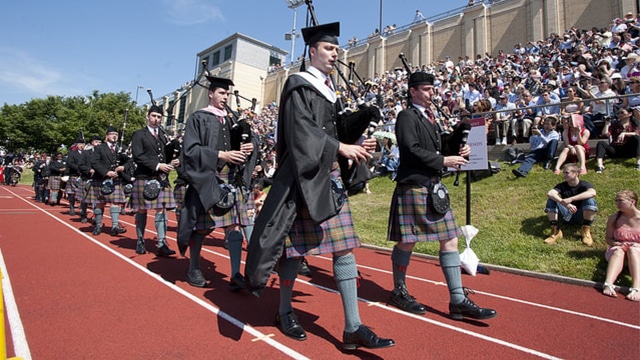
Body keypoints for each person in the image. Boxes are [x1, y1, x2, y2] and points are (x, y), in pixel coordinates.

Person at [244, 22, 394, 350]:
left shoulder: (328, 89)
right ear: (312, 51)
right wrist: (340, 148)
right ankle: (284, 310)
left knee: (344, 247)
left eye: (337, 49)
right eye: (329, 48)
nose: (335, 53)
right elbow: (302, 132)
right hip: (303, 179)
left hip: (329, 179)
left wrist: (364, 118)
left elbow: (338, 128)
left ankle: (352, 326)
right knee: (294, 252)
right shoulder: (298, 85)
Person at [386, 71, 497, 321]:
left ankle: (457, 299)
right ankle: (399, 290)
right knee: (408, 241)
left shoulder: (430, 119)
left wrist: (460, 138)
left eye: (432, 89)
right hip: (413, 186)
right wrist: (443, 160)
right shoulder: (406, 116)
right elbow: (410, 149)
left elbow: (441, 145)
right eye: (426, 89)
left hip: (433, 186)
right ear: (413, 91)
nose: (431, 93)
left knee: (450, 238)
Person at [177, 75, 259, 290]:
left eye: (228, 94)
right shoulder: (198, 118)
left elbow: (242, 146)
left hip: (230, 179)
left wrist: (247, 149)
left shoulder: (232, 121)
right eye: (222, 93)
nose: (226, 97)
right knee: (202, 229)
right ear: (211, 93)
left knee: (234, 227)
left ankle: (235, 274)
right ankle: (193, 267)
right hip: (207, 179)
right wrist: (221, 155)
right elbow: (190, 151)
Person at [130, 105, 179, 256]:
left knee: (161, 210)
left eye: (159, 117)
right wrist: (158, 166)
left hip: (160, 178)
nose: (156, 119)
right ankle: (140, 240)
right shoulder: (139, 134)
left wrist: (173, 160)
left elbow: (165, 156)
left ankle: (162, 242)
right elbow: (138, 156)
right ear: (148, 116)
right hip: (144, 176)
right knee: (142, 209)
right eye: (154, 116)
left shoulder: (163, 136)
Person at [86, 126, 128, 236]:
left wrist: (123, 167)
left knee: (115, 203)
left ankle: (114, 226)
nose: (114, 136)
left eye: (116, 134)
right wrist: (106, 172)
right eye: (112, 134)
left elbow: (129, 160)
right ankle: (98, 226)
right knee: (100, 203)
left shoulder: (121, 148)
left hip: (115, 180)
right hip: (101, 178)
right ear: (107, 136)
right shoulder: (99, 148)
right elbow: (94, 162)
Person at [543, 163, 598, 246]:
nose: (564, 175)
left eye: (567, 173)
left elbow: (592, 192)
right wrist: (565, 204)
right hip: (566, 214)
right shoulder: (562, 185)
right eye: (563, 173)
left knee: (590, 200)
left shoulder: (584, 184)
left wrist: (571, 199)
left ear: (576, 173)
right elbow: (550, 193)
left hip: (581, 216)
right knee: (551, 199)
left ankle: (586, 230)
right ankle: (555, 231)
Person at [602, 190, 640, 301]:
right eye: (616, 200)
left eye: (621, 201)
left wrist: (634, 245)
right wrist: (618, 243)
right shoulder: (614, 218)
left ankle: (637, 287)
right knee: (618, 250)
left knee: (633, 250)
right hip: (618, 251)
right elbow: (608, 239)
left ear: (632, 201)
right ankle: (608, 284)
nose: (617, 204)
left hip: (637, 252)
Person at [595, 107, 640, 172]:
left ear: (630, 114)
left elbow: (637, 133)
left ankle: (638, 162)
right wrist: (607, 123)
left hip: (629, 149)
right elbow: (605, 134)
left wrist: (624, 133)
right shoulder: (615, 125)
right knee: (601, 143)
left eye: (622, 113)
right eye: (618, 113)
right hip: (616, 149)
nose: (620, 115)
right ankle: (600, 165)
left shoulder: (634, 125)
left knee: (637, 138)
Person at [65, 136, 86, 218]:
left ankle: (82, 209)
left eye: (83, 144)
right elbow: (70, 163)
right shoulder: (72, 153)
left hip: (83, 176)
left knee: (83, 193)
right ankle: (72, 207)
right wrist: (79, 168)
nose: (82, 145)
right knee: (72, 193)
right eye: (80, 144)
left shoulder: (86, 153)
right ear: (77, 145)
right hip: (74, 175)